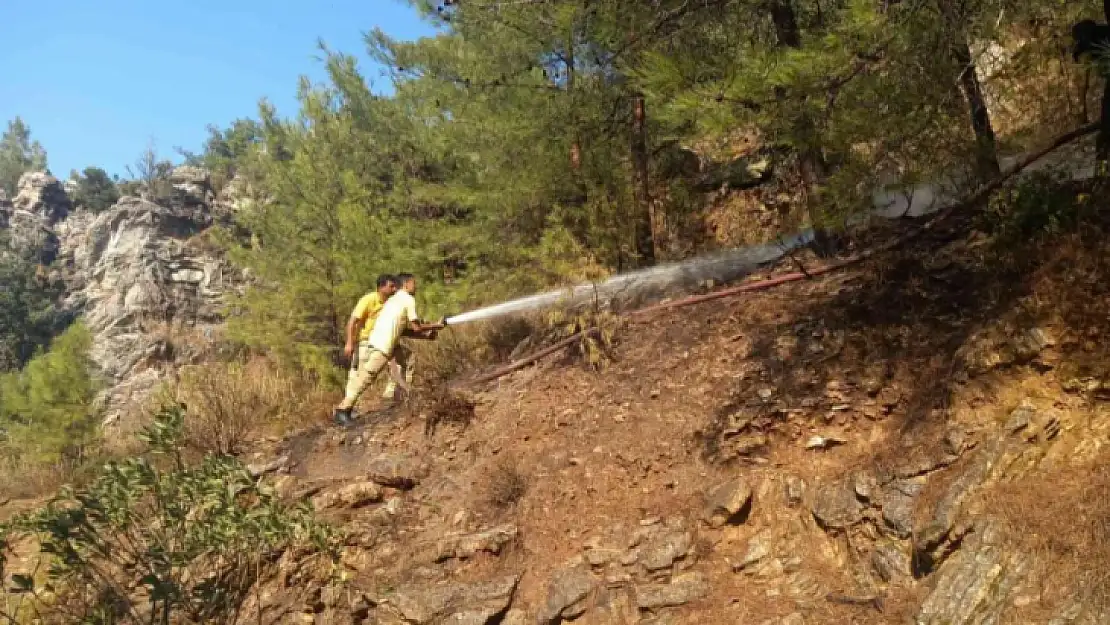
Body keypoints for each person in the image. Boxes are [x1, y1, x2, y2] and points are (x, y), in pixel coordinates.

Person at [333, 273, 443, 425]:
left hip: (382, 341)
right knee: (366, 376)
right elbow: (416, 327)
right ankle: (343, 409)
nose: (415, 287)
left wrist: (427, 335)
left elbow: (402, 329)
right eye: (413, 283)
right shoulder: (407, 300)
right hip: (382, 344)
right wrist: (435, 326)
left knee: (405, 363)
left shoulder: (392, 301)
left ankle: (403, 397)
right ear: (406, 285)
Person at [341, 274, 397, 417]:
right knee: (359, 375)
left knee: (399, 364)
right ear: (381, 287)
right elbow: (352, 321)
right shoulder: (368, 299)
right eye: (391, 286)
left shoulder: (391, 303)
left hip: (384, 341)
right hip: (367, 343)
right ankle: (347, 409)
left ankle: (391, 396)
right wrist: (349, 342)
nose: (394, 289)